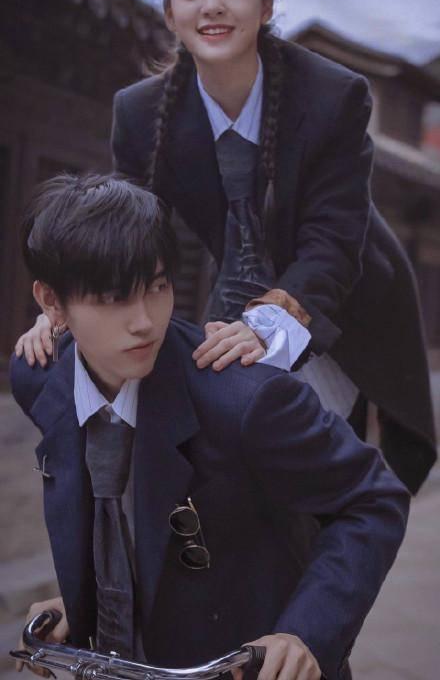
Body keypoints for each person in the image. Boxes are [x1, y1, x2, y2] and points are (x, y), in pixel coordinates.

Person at [16, 0, 436, 494]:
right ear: (170, 12)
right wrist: (71, 300)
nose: (212, 5)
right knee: (216, 464)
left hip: (340, 295)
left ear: (266, 4)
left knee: (323, 475)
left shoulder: (333, 95)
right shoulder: (140, 113)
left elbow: (331, 243)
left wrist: (267, 327)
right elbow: (124, 232)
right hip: (233, 288)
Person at [11, 173, 409, 680]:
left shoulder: (243, 398)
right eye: (112, 297)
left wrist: (307, 632)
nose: (145, 321)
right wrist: (86, 602)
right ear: (51, 301)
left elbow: (373, 498)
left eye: (157, 287)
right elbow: (110, 512)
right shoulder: (39, 377)